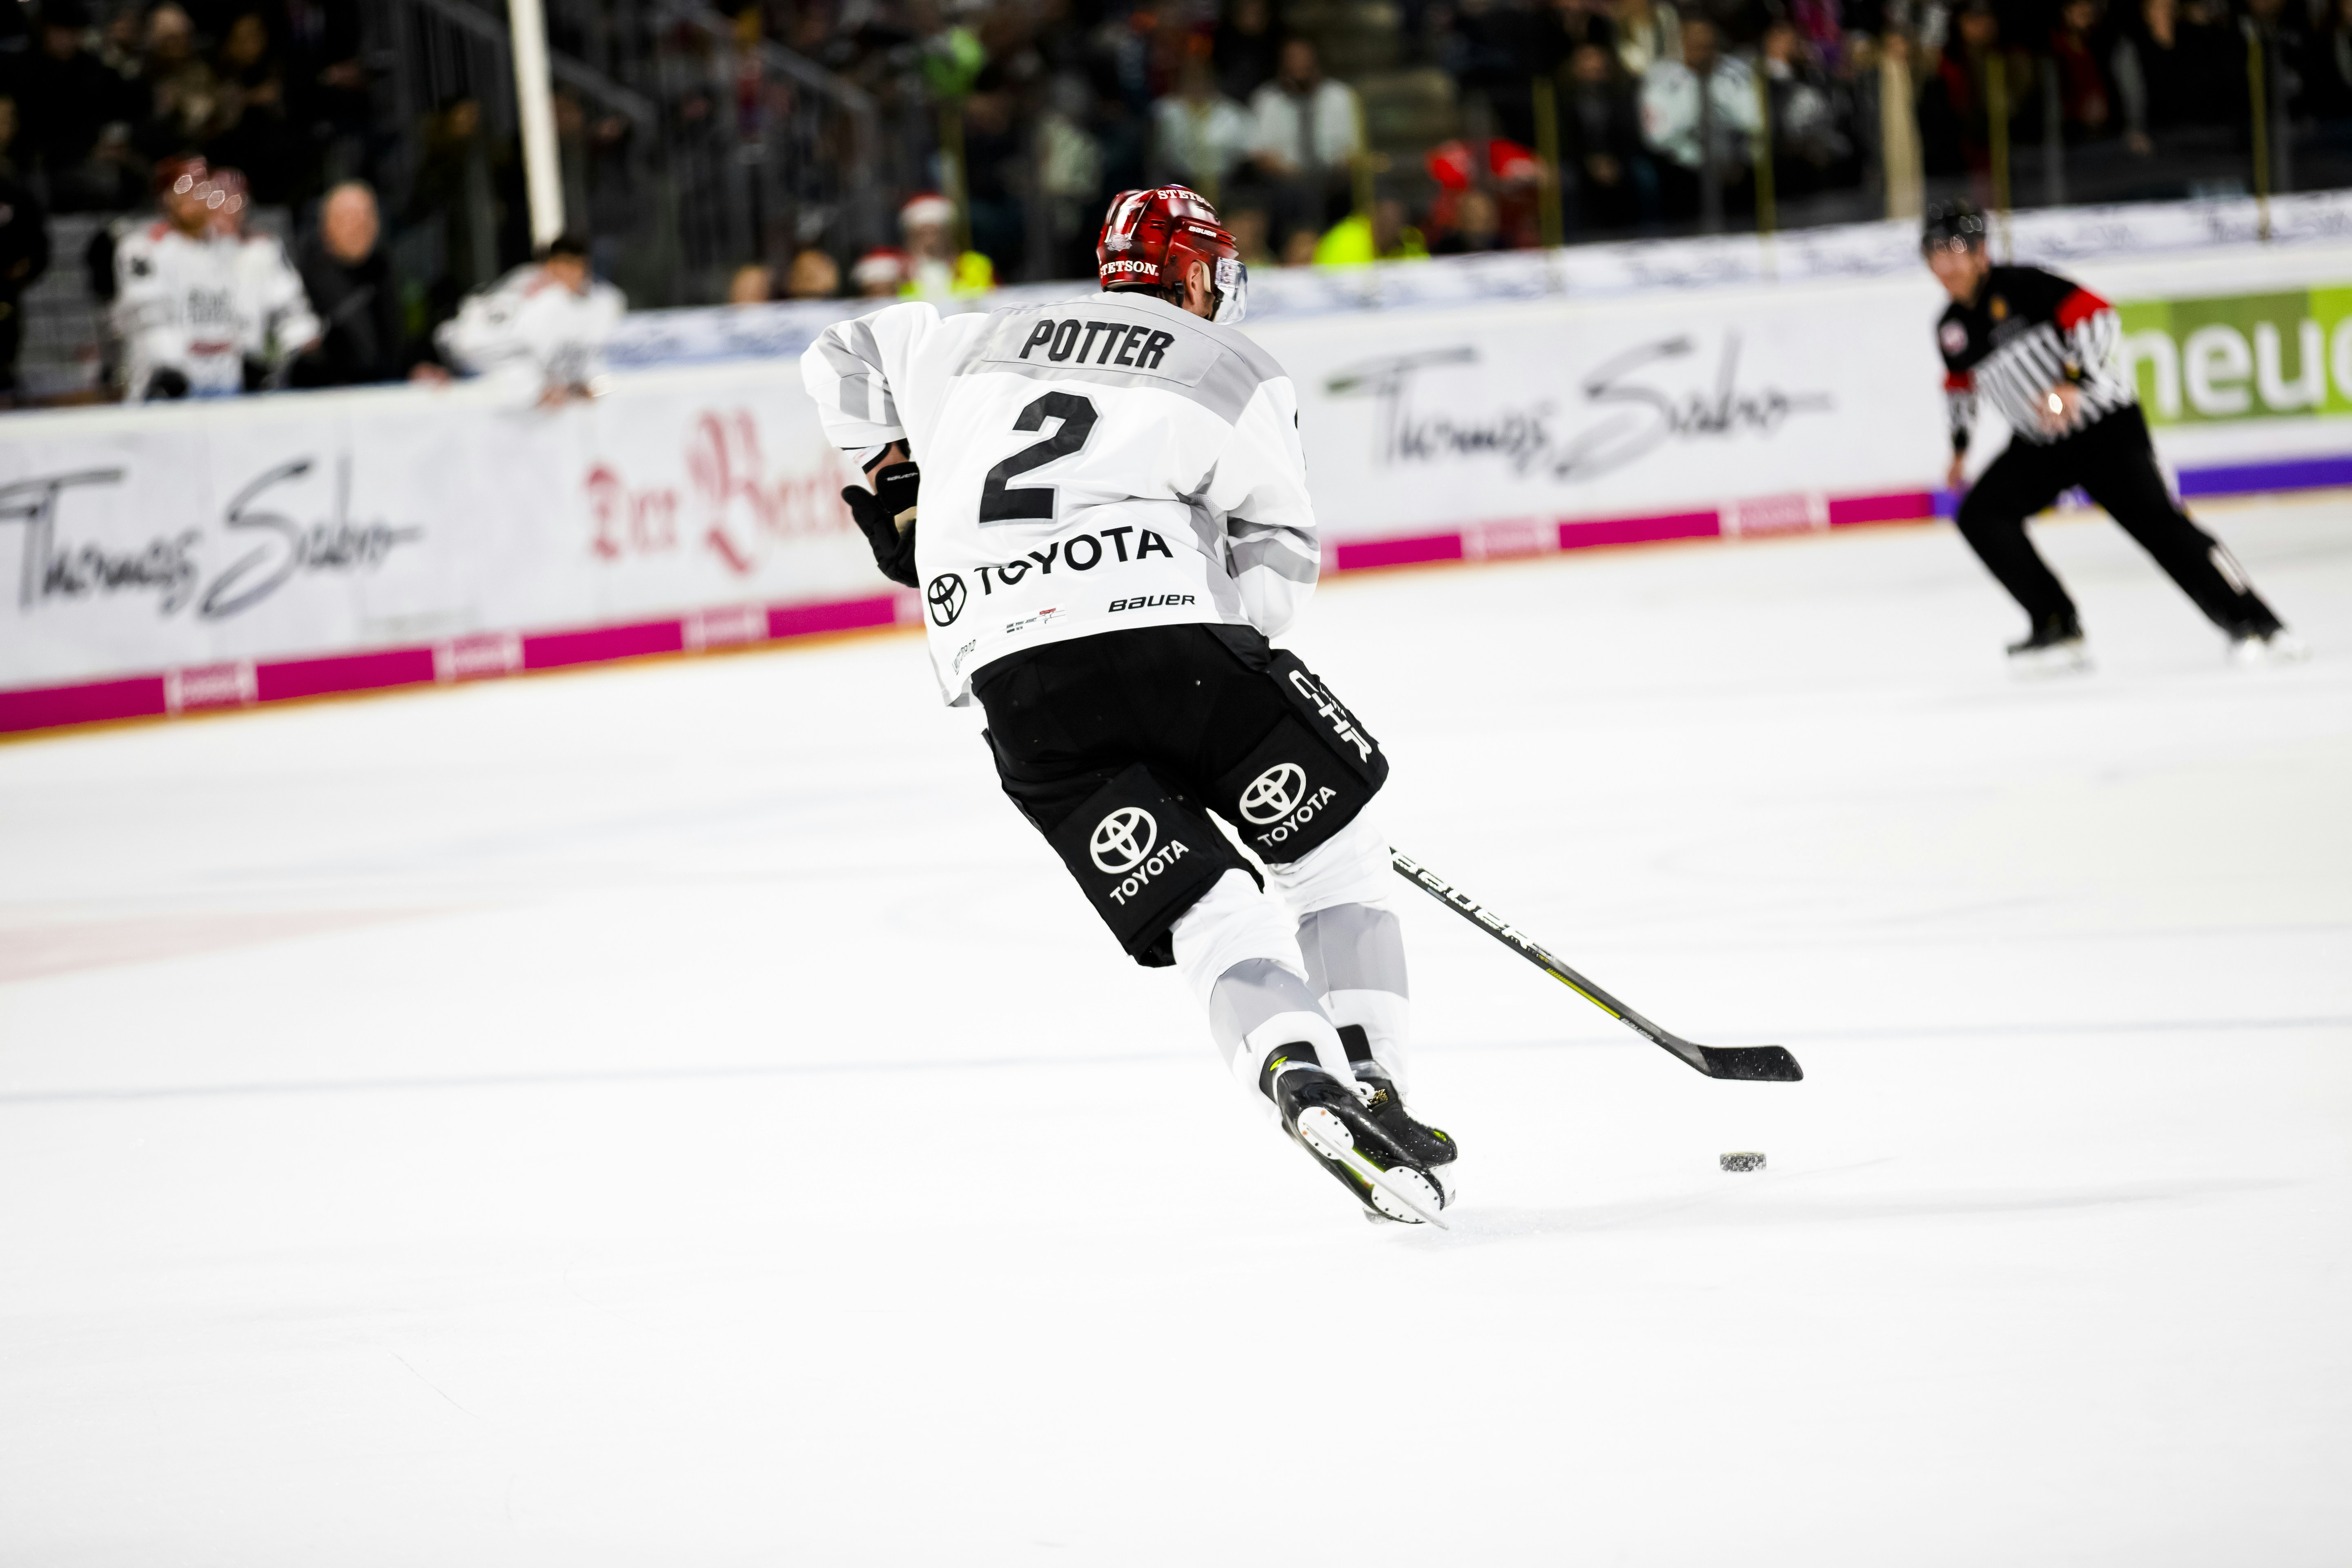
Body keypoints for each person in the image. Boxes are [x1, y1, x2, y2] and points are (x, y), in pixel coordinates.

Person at [800, 185, 1457, 1225]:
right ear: (1196, 274)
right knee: (1330, 860)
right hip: (1172, 645)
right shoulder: (1231, 366)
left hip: (1009, 680)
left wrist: (903, 487)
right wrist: (1219, 676)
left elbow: (839, 353)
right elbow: (1276, 574)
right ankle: (1374, 1080)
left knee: (1207, 916)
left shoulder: (978, 337)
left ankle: (1295, 1069)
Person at [1924, 200, 2304, 669]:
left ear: (1982, 252)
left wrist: (2072, 382)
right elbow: (1960, 388)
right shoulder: (1951, 329)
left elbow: (2097, 315)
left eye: (1957, 251)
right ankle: (2056, 625)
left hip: (2103, 429)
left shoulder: (2023, 285)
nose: (1947, 264)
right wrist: (1959, 451)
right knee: (1981, 515)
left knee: (2159, 528)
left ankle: (2260, 625)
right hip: (2042, 443)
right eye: (1936, 253)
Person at [435, 232, 624, 406]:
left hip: (505, 373)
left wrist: (579, 386)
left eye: (575, 267)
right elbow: (473, 339)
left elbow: (604, 375)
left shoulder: (602, 300)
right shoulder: (533, 295)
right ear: (550, 265)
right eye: (561, 266)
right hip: (470, 362)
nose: (569, 274)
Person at [112, 155, 245, 399]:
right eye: (184, 188)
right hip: (166, 387)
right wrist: (171, 365)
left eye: (202, 188)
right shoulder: (143, 249)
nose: (194, 196)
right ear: (165, 197)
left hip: (227, 383)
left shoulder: (229, 250)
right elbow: (149, 320)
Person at [291, 179, 429, 386]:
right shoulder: (302, 279)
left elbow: (401, 344)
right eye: (349, 217)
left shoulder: (384, 270)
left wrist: (417, 367)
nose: (360, 226)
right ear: (327, 227)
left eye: (368, 216)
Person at [1243, 38, 1361, 256]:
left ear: (1316, 63)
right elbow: (1261, 156)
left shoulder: (1340, 96)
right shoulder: (1267, 99)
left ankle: (1343, 253)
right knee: (1300, 194)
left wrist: (1338, 171)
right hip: (1287, 179)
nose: (1299, 68)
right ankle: (1302, 255)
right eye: (1293, 62)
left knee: (1361, 186)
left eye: (1304, 61)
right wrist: (1296, 176)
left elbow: (1352, 149)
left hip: (1333, 177)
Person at [207, 165, 319, 389]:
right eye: (218, 201)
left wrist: (303, 341)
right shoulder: (174, 252)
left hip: (247, 372)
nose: (228, 210)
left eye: (236, 201)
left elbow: (291, 310)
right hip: (193, 371)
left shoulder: (263, 252)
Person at [0, 96, 53, 404]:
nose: (5, 127)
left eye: (9, 120)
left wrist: (27, 267)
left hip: (6, 301)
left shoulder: (17, 182)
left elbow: (38, 242)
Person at [895, 192, 993, 301]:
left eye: (936, 232)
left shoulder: (976, 264)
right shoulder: (897, 270)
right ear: (911, 235)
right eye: (923, 233)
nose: (930, 239)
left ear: (950, 233)